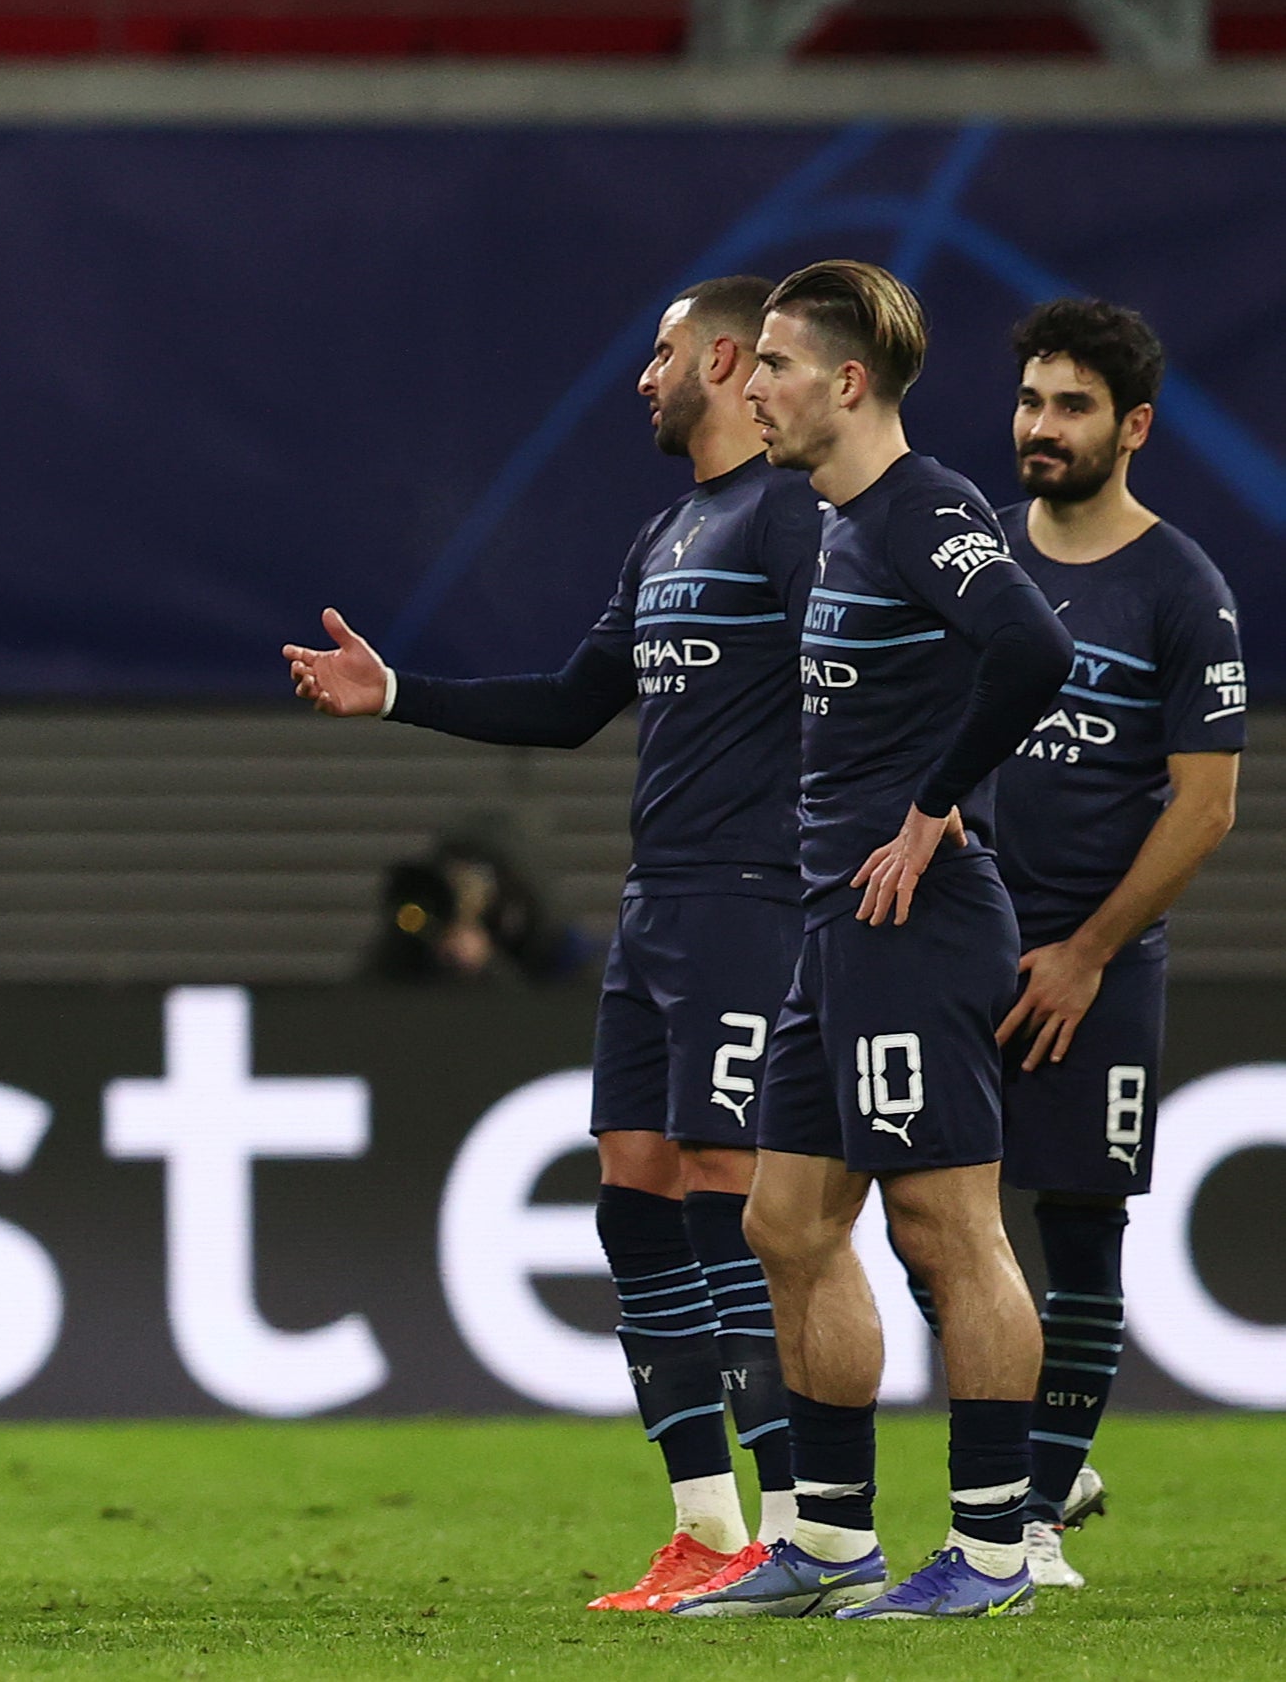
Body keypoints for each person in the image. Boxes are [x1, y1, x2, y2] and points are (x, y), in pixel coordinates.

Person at [284, 276, 810, 1610]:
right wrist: (395, 691)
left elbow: (897, 679)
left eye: (662, 351)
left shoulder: (795, 517)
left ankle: (809, 1528)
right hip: (659, 906)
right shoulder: (668, 533)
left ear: (731, 359)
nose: (643, 374)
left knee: (740, 1201)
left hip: (755, 900)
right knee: (632, 1191)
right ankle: (706, 1524)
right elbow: (577, 704)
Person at [673, 260, 1074, 1622]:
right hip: (831, 928)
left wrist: (930, 805)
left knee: (944, 1223)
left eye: (776, 363)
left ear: (847, 382)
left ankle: (995, 1553)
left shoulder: (927, 508)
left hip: (921, 921)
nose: (753, 383)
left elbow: (1030, 648)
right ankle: (830, 1543)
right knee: (783, 1219)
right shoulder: (835, 520)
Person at [988, 300, 1242, 1587]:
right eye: (1030, 399)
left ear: (1131, 427)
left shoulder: (1179, 588)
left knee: (1080, 1226)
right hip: (957, 939)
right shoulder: (968, 554)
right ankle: (1044, 1449)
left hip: (1095, 959)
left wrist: (1086, 950)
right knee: (925, 1213)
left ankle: (1029, 1516)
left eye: (1071, 405)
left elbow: (1206, 804)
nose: (1039, 425)